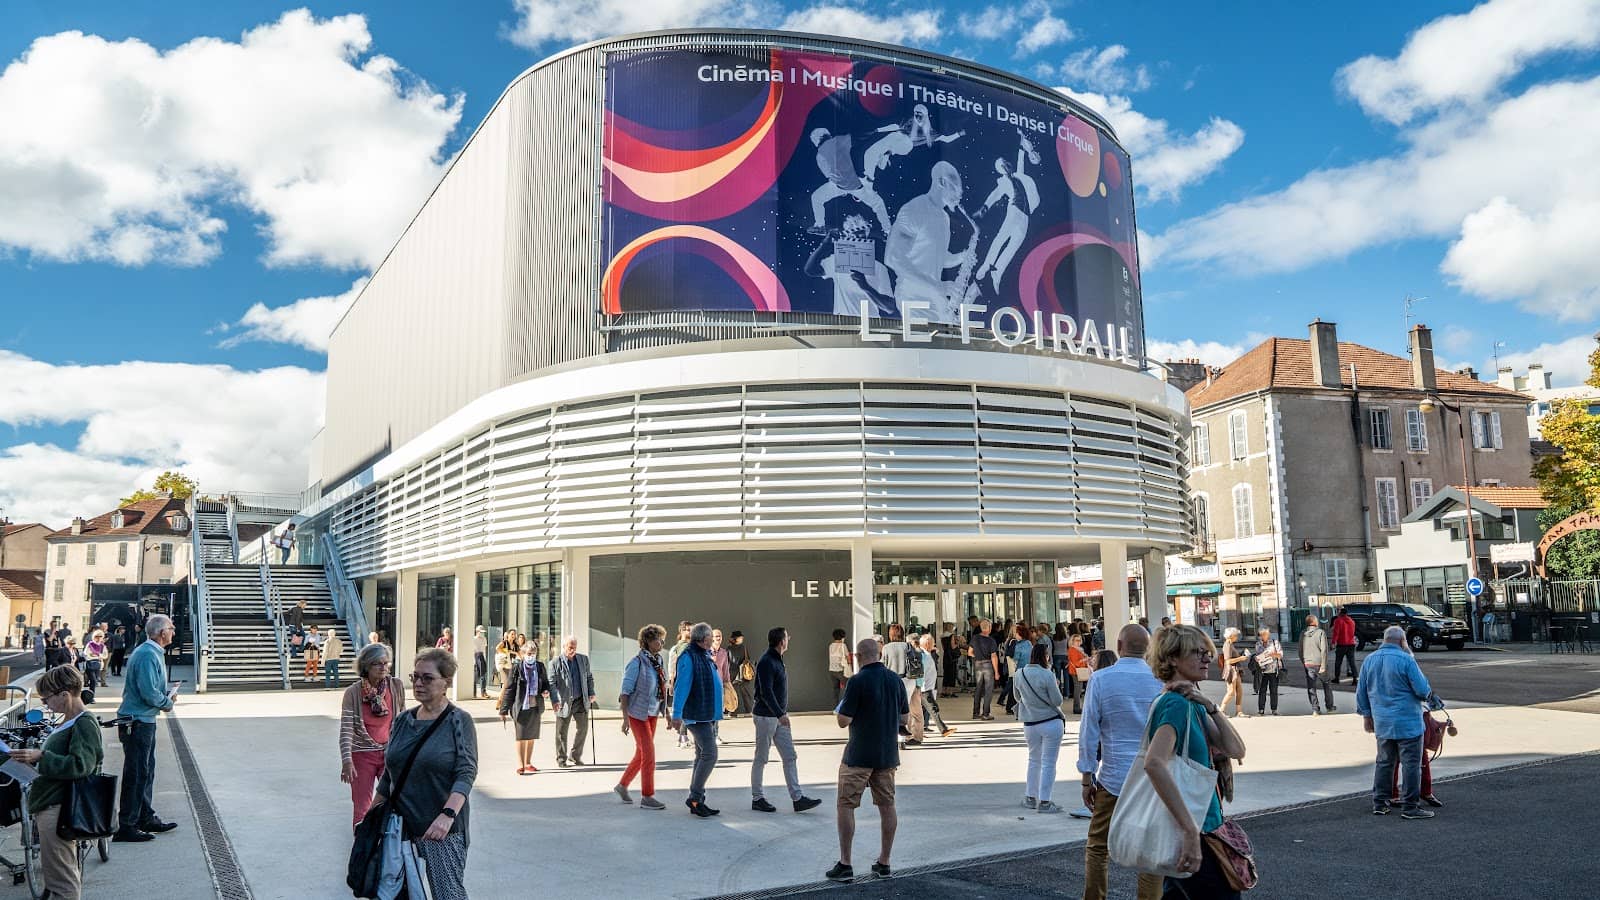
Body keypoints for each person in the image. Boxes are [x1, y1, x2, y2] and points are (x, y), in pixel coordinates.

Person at [1142, 625, 1247, 897]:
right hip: (1196, 830)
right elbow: (1154, 763)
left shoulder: (1192, 703)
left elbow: (1236, 749)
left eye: (1207, 653)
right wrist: (1189, 830)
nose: (1207, 659)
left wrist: (1211, 706)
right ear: (1172, 658)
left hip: (1205, 827)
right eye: (1197, 653)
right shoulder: (1175, 704)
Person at [373, 648, 477, 899]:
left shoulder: (458, 721)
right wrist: (372, 817)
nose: (419, 683)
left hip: (439, 831)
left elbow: (466, 771)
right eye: (415, 677)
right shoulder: (402, 721)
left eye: (427, 678)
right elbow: (390, 774)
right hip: (399, 828)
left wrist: (447, 815)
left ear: (446, 682)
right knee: (395, 894)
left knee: (447, 894)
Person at [1078, 624, 1163, 900]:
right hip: (1152, 780)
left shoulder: (1101, 679)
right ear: (1148, 649)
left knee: (1098, 846)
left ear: (1118, 645)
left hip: (1113, 778)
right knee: (1150, 852)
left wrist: (1086, 776)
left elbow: (1089, 731)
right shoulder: (1160, 681)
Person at [9, 665, 103, 899]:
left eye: (46, 698)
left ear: (64, 695)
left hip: (59, 807)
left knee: (62, 879)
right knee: (57, 874)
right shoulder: (70, 721)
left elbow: (81, 766)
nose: (45, 704)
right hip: (53, 804)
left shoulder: (84, 722)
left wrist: (41, 757)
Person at [827, 638, 909, 883]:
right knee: (887, 806)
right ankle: (884, 862)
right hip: (887, 755)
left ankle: (845, 864)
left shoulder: (857, 681)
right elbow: (905, 718)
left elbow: (843, 720)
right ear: (880, 654)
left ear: (858, 656)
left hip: (858, 755)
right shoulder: (895, 680)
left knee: (846, 805)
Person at [1356, 626, 1435, 819]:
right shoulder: (1406, 660)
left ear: (1384, 640)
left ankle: (1380, 803)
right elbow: (1422, 690)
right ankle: (1410, 807)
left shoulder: (1369, 660)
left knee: (1384, 763)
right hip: (1408, 722)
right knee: (1411, 765)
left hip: (1382, 722)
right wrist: (1410, 654)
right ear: (1402, 641)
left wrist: (1366, 716)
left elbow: (1361, 692)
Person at [114, 613, 178, 842]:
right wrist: (167, 702)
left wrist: (165, 695)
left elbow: (150, 688)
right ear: (162, 632)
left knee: (145, 771)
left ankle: (144, 817)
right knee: (137, 773)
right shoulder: (147, 654)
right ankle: (127, 825)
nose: (173, 632)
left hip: (143, 719)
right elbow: (148, 691)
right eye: (171, 628)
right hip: (137, 721)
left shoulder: (151, 652)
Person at [885, 160, 971, 323]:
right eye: (956, 188)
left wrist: (962, 257)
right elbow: (893, 258)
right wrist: (938, 286)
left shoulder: (944, 217)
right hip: (913, 297)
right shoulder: (914, 210)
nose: (960, 195)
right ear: (942, 182)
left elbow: (937, 257)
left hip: (935, 297)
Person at [751, 627, 823, 813]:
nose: (789, 639)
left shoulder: (777, 659)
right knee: (761, 757)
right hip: (766, 717)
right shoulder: (767, 661)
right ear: (782, 642)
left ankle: (798, 799)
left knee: (790, 756)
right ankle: (757, 798)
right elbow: (765, 692)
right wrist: (780, 714)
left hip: (778, 717)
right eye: (787, 637)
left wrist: (781, 714)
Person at [341, 642, 406, 827]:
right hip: (362, 755)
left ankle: (388, 841)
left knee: (394, 800)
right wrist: (347, 761)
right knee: (362, 805)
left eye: (386, 663)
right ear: (366, 666)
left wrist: (404, 753)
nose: (383, 667)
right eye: (377, 663)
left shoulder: (396, 686)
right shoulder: (353, 693)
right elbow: (346, 729)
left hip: (389, 752)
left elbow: (403, 722)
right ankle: (362, 842)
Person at [671, 622, 723, 817]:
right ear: (703, 638)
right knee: (710, 753)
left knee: (701, 755)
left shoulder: (704, 654)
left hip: (706, 713)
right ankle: (695, 797)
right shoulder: (689, 656)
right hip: (696, 714)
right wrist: (676, 714)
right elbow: (681, 686)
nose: (713, 640)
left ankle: (697, 800)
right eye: (710, 636)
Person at [617, 624, 668, 809]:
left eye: (662, 639)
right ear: (648, 642)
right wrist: (625, 719)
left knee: (641, 753)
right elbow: (625, 692)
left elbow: (662, 688)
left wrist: (667, 713)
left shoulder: (658, 661)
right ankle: (647, 796)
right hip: (637, 714)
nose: (662, 643)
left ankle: (622, 785)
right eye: (658, 640)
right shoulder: (636, 663)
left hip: (652, 713)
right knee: (649, 754)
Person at [1016, 642, 1066, 813]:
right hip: (1051, 721)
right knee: (1049, 763)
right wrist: (1056, 685)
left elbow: (1017, 697)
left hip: (1030, 723)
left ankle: (1030, 797)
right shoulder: (1047, 674)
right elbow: (1057, 701)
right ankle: (1045, 801)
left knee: (1033, 760)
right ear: (1046, 656)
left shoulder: (1019, 674)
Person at [498, 639, 548, 775]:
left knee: (531, 736)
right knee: (521, 736)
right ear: (523, 653)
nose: (531, 656)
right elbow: (509, 689)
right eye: (529, 653)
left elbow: (545, 683)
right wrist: (503, 709)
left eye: (533, 653)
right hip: (520, 707)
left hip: (535, 706)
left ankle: (528, 763)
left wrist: (545, 690)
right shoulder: (517, 668)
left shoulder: (540, 667)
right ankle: (520, 764)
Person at [549, 636, 596, 768]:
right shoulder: (555, 662)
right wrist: (554, 700)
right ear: (564, 647)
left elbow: (589, 677)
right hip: (564, 702)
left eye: (574, 647)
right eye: (570, 647)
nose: (573, 650)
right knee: (561, 732)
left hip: (581, 700)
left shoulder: (583, 659)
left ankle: (575, 755)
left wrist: (591, 692)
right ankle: (561, 759)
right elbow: (551, 683)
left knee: (583, 728)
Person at [880, 624, 921, 746]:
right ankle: (904, 735)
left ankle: (893, 734)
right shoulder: (908, 646)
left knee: (892, 708)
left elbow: (883, 664)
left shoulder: (886, 648)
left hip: (893, 680)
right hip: (909, 680)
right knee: (905, 708)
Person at [915, 635, 955, 738]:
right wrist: (921, 686)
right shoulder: (923, 655)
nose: (934, 644)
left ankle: (921, 729)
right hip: (925, 688)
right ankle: (943, 729)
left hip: (927, 687)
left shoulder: (927, 654)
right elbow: (922, 672)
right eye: (933, 642)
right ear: (928, 644)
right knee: (933, 709)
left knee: (923, 710)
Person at [1300, 614, 1335, 714]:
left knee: (1311, 686)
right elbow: (1324, 650)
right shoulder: (1320, 632)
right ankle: (1329, 707)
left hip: (1308, 664)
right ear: (1314, 622)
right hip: (1319, 663)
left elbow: (1300, 650)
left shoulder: (1303, 633)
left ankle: (1315, 709)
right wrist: (1323, 665)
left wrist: (1304, 661)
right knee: (1326, 684)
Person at [969, 618, 1000, 720]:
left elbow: (970, 652)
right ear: (989, 628)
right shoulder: (991, 640)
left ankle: (975, 713)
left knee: (978, 688)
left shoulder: (974, 638)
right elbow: (994, 657)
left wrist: (977, 656)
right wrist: (996, 672)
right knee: (988, 690)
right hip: (988, 665)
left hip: (978, 665)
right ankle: (986, 713)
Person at [1252, 628, 1283, 715]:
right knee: (1262, 691)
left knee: (1274, 691)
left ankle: (1274, 710)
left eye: (1266, 634)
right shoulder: (1258, 644)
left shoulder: (1275, 642)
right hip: (1262, 671)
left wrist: (1272, 654)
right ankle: (1261, 710)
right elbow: (1257, 655)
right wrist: (1256, 658)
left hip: (1273, 670)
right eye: (1262, 635)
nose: (1264, 636)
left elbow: (1280, 655)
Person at [1220, 627, 1248, 718]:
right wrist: (1240, 658)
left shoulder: (1230, 644)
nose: (1237, 637)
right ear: (1231, 636)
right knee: (1231, 691)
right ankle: (1221, 710)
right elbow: (1228, 661)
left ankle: (1239, 712)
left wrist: (1241, 653)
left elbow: (1233, 656)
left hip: (1236, 670)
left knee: (1239, 691)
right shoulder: (1227, 645)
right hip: (1231, 670)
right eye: (1236, 635)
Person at [729, 631, 755, 717]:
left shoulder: (738, 648)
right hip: (739, 674)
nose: (742, 638)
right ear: (736, 639)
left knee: (739, 693)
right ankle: (739, 711)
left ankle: (735, 711)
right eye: (740, 637)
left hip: (738, 674)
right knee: (739, 694)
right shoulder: (731, 649)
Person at [1331, 607, 1358, 684]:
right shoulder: (1352, 621)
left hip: (1341, 644)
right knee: (1352, 662)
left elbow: (1336, 633)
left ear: (1341, 613)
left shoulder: (1338, 621)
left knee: (1338, 662)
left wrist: (1333, 643)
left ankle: (1337, 678)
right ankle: (1355, 679)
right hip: (1351, 644)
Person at [828, 628, 854, 703]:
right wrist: (850, 665)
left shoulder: (831, 646)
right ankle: (848, 704)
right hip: (841, 671)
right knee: (848, 687)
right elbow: (848, 658)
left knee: (835, 690)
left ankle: (836, 706)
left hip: (832, 671)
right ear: (842, 637)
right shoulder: (843, 645)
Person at [471, 625, 489, 699]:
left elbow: (484, 649)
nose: (482, 634)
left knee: (483, 675)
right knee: (475, 676)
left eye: (482, 632)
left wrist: (485, 658)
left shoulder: (484, 639)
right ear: (477, 632)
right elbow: (472, 650)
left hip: (482, 656)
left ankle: (483, 692)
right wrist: (473, 661)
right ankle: (473, 692)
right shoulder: (473, 639)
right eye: (480, 632)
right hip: (476, 656)